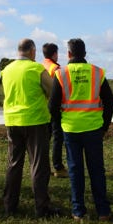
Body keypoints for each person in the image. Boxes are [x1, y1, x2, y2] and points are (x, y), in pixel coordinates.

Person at [49, 38, 113, 221]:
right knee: (97, 170)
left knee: (75, 169)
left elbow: (52, 105)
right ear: (85, 53)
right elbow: (110, 101)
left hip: (70, 129)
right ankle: (103, 210)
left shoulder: (61, 74)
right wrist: (105, 126)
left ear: (69, 54)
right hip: (94, 128)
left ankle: (78, 211)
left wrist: (60, 123)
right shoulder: (97, 72)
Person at [1, 39, 60, 217]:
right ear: (33, 51)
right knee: (39, 165)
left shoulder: (7, 70)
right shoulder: (36, 69)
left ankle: (9, 205)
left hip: (12, 121)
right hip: (35, 121)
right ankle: (42, 207)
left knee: (14, 164)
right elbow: (53, 91)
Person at [41, 42, 68, 178]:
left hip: (42, 108)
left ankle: (44, 168)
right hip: (55, 108)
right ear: (54, 54)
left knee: (45, 140)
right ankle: (58, 167)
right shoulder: (56, 68)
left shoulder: (40, 66)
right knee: (58, 138)